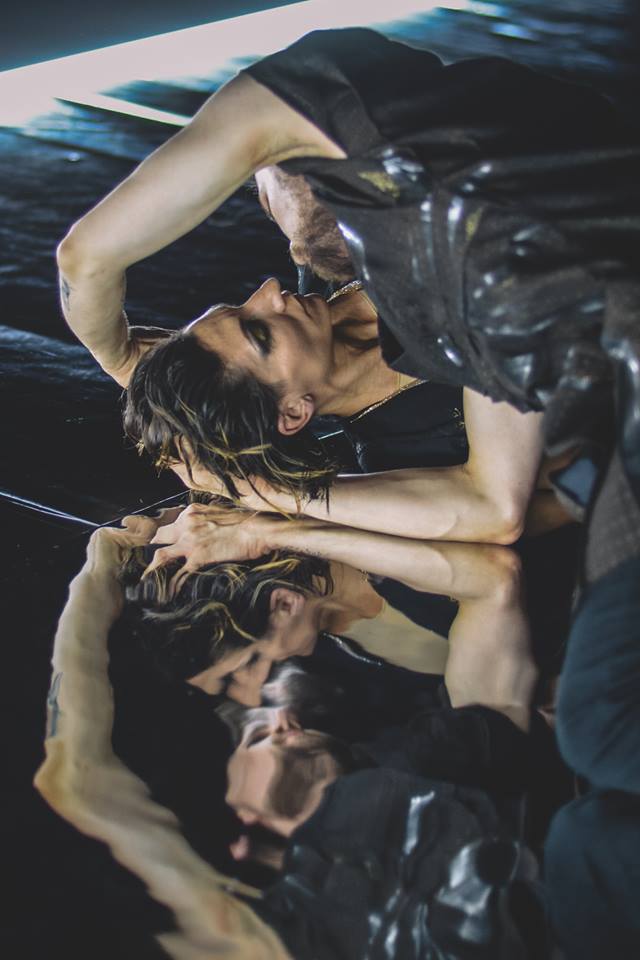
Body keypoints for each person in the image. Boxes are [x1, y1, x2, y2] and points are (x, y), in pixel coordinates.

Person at [66, 28, 622, 542]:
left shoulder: (327, 247)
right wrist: (269, 495)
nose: (269, 290)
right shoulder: (415, 436)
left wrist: (117, 356)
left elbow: (85, 266)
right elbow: (508, 508)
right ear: (293, 413)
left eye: (240, 307)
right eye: (261, 333)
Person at [35, 520, 549, 960]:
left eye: (257, 732)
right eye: (255, 735)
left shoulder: (424, 753)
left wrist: (264, 531)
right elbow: (75, 778)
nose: (274, 714)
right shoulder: (277, 933)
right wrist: (93, 581)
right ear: (246, 831)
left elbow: (494, 587)